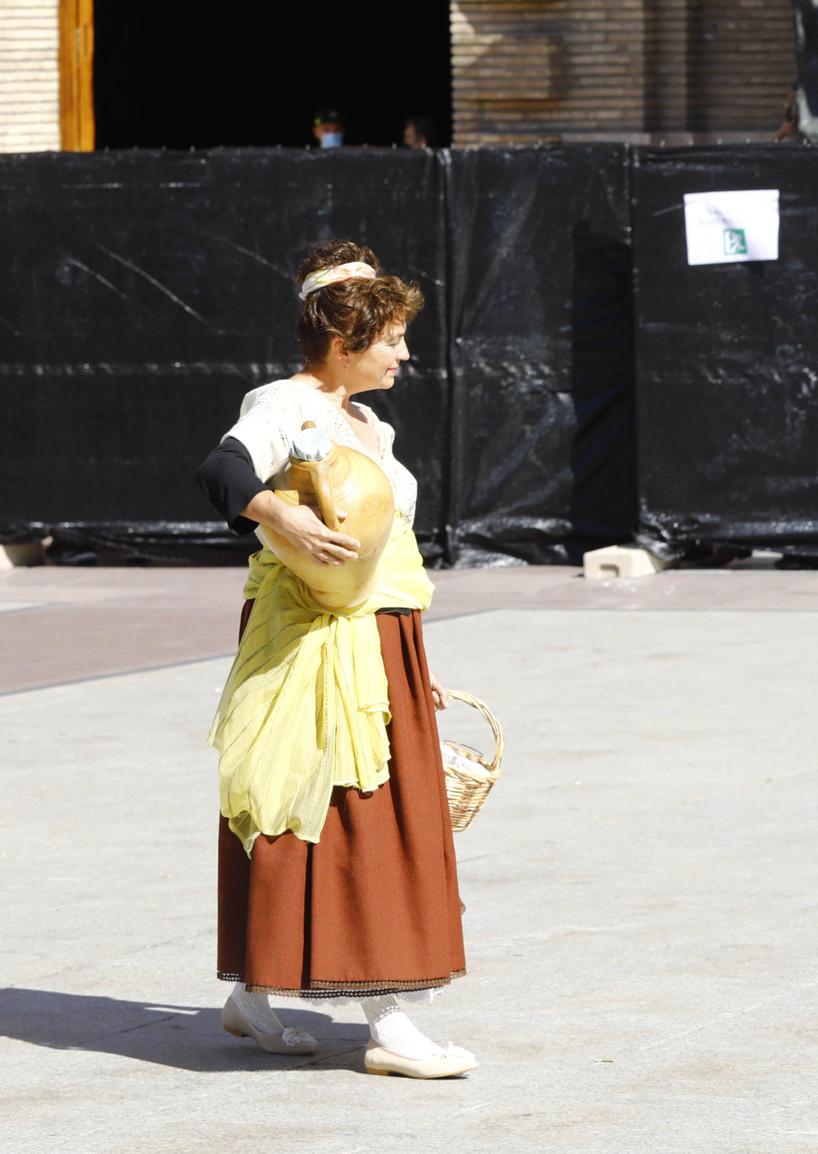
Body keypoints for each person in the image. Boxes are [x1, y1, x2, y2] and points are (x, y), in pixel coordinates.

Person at [195, 240, 476, 1078]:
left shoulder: (371, 425)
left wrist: (412, 658)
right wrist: (276, 518)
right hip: (311, 633)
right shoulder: (285, 403)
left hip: (381, 633)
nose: (404, 352)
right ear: (346, 339)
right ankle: (390, 1027)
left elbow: (387, 546)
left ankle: (252, 995)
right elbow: (221, 468)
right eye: (391, 337)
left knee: (356, 808)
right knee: (339, 808)